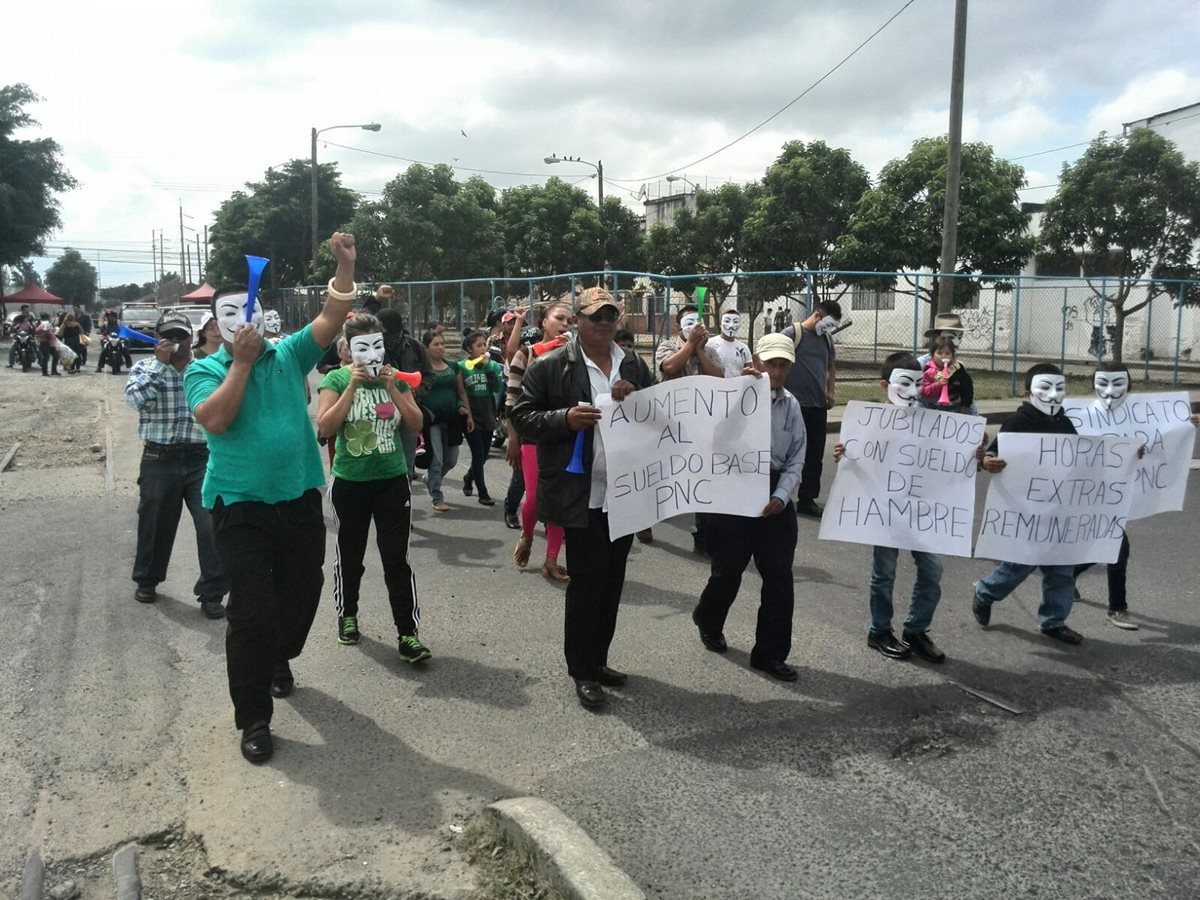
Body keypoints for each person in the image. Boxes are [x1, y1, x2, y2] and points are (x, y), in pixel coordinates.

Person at [184, 230, 359, 765]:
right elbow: (214, 418)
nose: (245, 322)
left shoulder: (289, 354)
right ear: (216, 326)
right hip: (239, 506)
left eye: (251, 312)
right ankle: (254, 718)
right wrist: (239, 363)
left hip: (300, 498)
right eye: (232, 315)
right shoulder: (205, 368)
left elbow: (329, 321)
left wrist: (345, 267)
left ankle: (278, 655)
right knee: (252, 613)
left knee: (304, 588)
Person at [511, 288, 655, 709]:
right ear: (578, 321)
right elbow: (522, 416)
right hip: (582, 496)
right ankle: (582, 670)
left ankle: (599, 659)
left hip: (623, 494)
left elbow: (656, 411)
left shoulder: (632, 363)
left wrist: (638, 394)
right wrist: (565, 419)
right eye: (594, 317)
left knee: (612, 585)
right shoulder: (552, 364)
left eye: (610, 316)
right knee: (587, 585)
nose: (603, 324)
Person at [832, 353, 965, 664]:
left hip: (922, 512)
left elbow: (948, 459)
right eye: (905, 383)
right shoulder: (869, 422)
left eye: (919, 384)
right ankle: (879, 630)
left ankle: (916, 630)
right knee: (885, 574)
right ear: (885, 384)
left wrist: (971, 449)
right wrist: (844, 454)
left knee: (933, 570)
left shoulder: (932, 422)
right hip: (886, 513)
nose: (913, 390)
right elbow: (856, 461)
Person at [690, 333, 807, 681]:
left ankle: (769, 654)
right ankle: (708, 618)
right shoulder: (731, 393)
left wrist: (782, 495)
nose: (778, 370)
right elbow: (713, 438)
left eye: (784, 364)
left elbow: (797, 458)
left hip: (774, 496)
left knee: (779, 579)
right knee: (727, 572)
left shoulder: (792, 405)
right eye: (772, 362)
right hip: (735, 489)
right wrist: (739, 392)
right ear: (757, 361)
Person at [317, 313, 428, 658]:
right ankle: (347, 615)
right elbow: (325, 426)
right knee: (350, 556)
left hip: (392, 481)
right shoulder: (335, 379)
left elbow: (415, 421)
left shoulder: (396, 379)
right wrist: (351, 385)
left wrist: (393, 387)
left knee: (396, 558)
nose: (372, 354)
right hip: (350, 482)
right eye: (363, 347)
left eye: (377, 345)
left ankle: (408, 633)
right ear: (349, 350)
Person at [125, 311, 228, 618]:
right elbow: (135, 401)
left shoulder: (205, 369)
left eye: (181, 335)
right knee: (155, 522)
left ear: (190, 337)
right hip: (159, 457)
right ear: (158, 338)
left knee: (211, 525)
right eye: (168, 336)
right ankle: (147, 579)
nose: (175, 342)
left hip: (201, 457)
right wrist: (160, 365)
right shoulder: (145, 367)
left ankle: (212, 592)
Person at [972, 363, 1083, 645]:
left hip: (1057, 511)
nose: (1053, 394)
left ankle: (1053, 621)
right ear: (1028, 391)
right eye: (1045, 387)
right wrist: (987, 461)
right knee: (1019, 565)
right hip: (1026, 511)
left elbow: (1085, 458)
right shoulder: (1018, 423)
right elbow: (993, 453)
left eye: (1059, 388)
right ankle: (985, 592)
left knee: (1061, 569)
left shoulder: (1067, 424)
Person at [507, 301, 574, 582]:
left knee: (561, 500)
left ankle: (551, 560)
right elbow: (512, 399)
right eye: (560, 318)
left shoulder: (576, 356)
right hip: (532, 437)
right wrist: (513, 438)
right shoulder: (526, 354)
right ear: (543, 322)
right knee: (534, 498)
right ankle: (527, 534)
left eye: (570, 320)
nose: (565, 324)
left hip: (566, 435)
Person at [780, 300, 842, 518]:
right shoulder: (791, 333)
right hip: (791, 406)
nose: (829, 329)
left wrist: (831, 391)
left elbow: (831, 366)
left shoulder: (826, 339)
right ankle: (779, 495)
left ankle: (807, 498)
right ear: (817, 315)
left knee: (814, 455)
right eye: (828, 324)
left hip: (817, 405)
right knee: (784, 453)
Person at [377, 306, 432, 474]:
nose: (384, 337)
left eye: (385, 332)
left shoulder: (415, 346)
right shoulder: (375, 348)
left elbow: (429, 376)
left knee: (406, 465)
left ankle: (404, 493)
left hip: (408, 411)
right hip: (381, 412)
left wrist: (416, 392)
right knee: (382, 462)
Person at [421, 329, 471, 512]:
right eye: (436, 344)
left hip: (452, 420)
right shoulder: (423, 370)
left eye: (442, 343)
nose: (440, 347)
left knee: (451, 459)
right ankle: (437, 496)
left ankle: (430, 480)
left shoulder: (453, 366)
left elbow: (460, 392)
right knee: (437, 460)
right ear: (426, 348)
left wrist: (465, 411)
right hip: (431, 421)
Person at [459, 330, 504, 506]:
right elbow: (460, 391)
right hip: (471, 417)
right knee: (478, 455)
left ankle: (469, 477)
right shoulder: (462, 367)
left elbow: (496, 387)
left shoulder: (491, 366)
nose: (483, 348)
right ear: (470, 349)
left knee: (484, 455)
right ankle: (483, 492)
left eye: (484, 345)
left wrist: (489, 368)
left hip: (488, 414)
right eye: (478, 345)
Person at [655, 303, 722, 380]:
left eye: (699, 323)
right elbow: (669, 368)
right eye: (690, 323)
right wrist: (691, 343)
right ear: (678, 327)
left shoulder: (710, 350)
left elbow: (718, 378)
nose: (695, 327)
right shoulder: (667, 346)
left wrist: (700, 350)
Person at [920, 335, 974, 413]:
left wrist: (965, 405)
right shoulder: (928, 370)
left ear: (952, 355)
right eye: (939, 353)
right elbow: (923, 391)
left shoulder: (957, 368)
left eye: (947, 353)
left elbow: (967, 387)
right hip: (933, 409)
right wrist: (937, 385)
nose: (943, 356)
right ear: (932, 354)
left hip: (954, 408)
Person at [705, 309, 753, 379]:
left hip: (737, 387)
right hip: (714, 388)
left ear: (739, 325)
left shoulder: (744, 348)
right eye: (727, 321)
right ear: (720, 324)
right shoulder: (709, 344)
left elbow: (750, 371)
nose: (731, 325)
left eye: (735, 321)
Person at [35, 312, 60, 376]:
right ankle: (45, 372)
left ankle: (52, 371)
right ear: (47, 318)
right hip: (46, 343)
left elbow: (37, 331)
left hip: (48, 343)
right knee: (47, 357)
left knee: (54, 356)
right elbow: (48, 331)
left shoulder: (41, 324)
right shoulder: (46, 324)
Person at [74, 304, 93, 369]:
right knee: (77, 348)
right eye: (74, 309)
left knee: (83, 347)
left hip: (83, 333)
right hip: (75, 334)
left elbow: (89, 324)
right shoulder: (73, 317)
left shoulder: (85, 317)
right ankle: (78, 360)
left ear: (79, 309)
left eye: (76, 309)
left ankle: (84, 359)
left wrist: (88, 332)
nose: (75, 310)